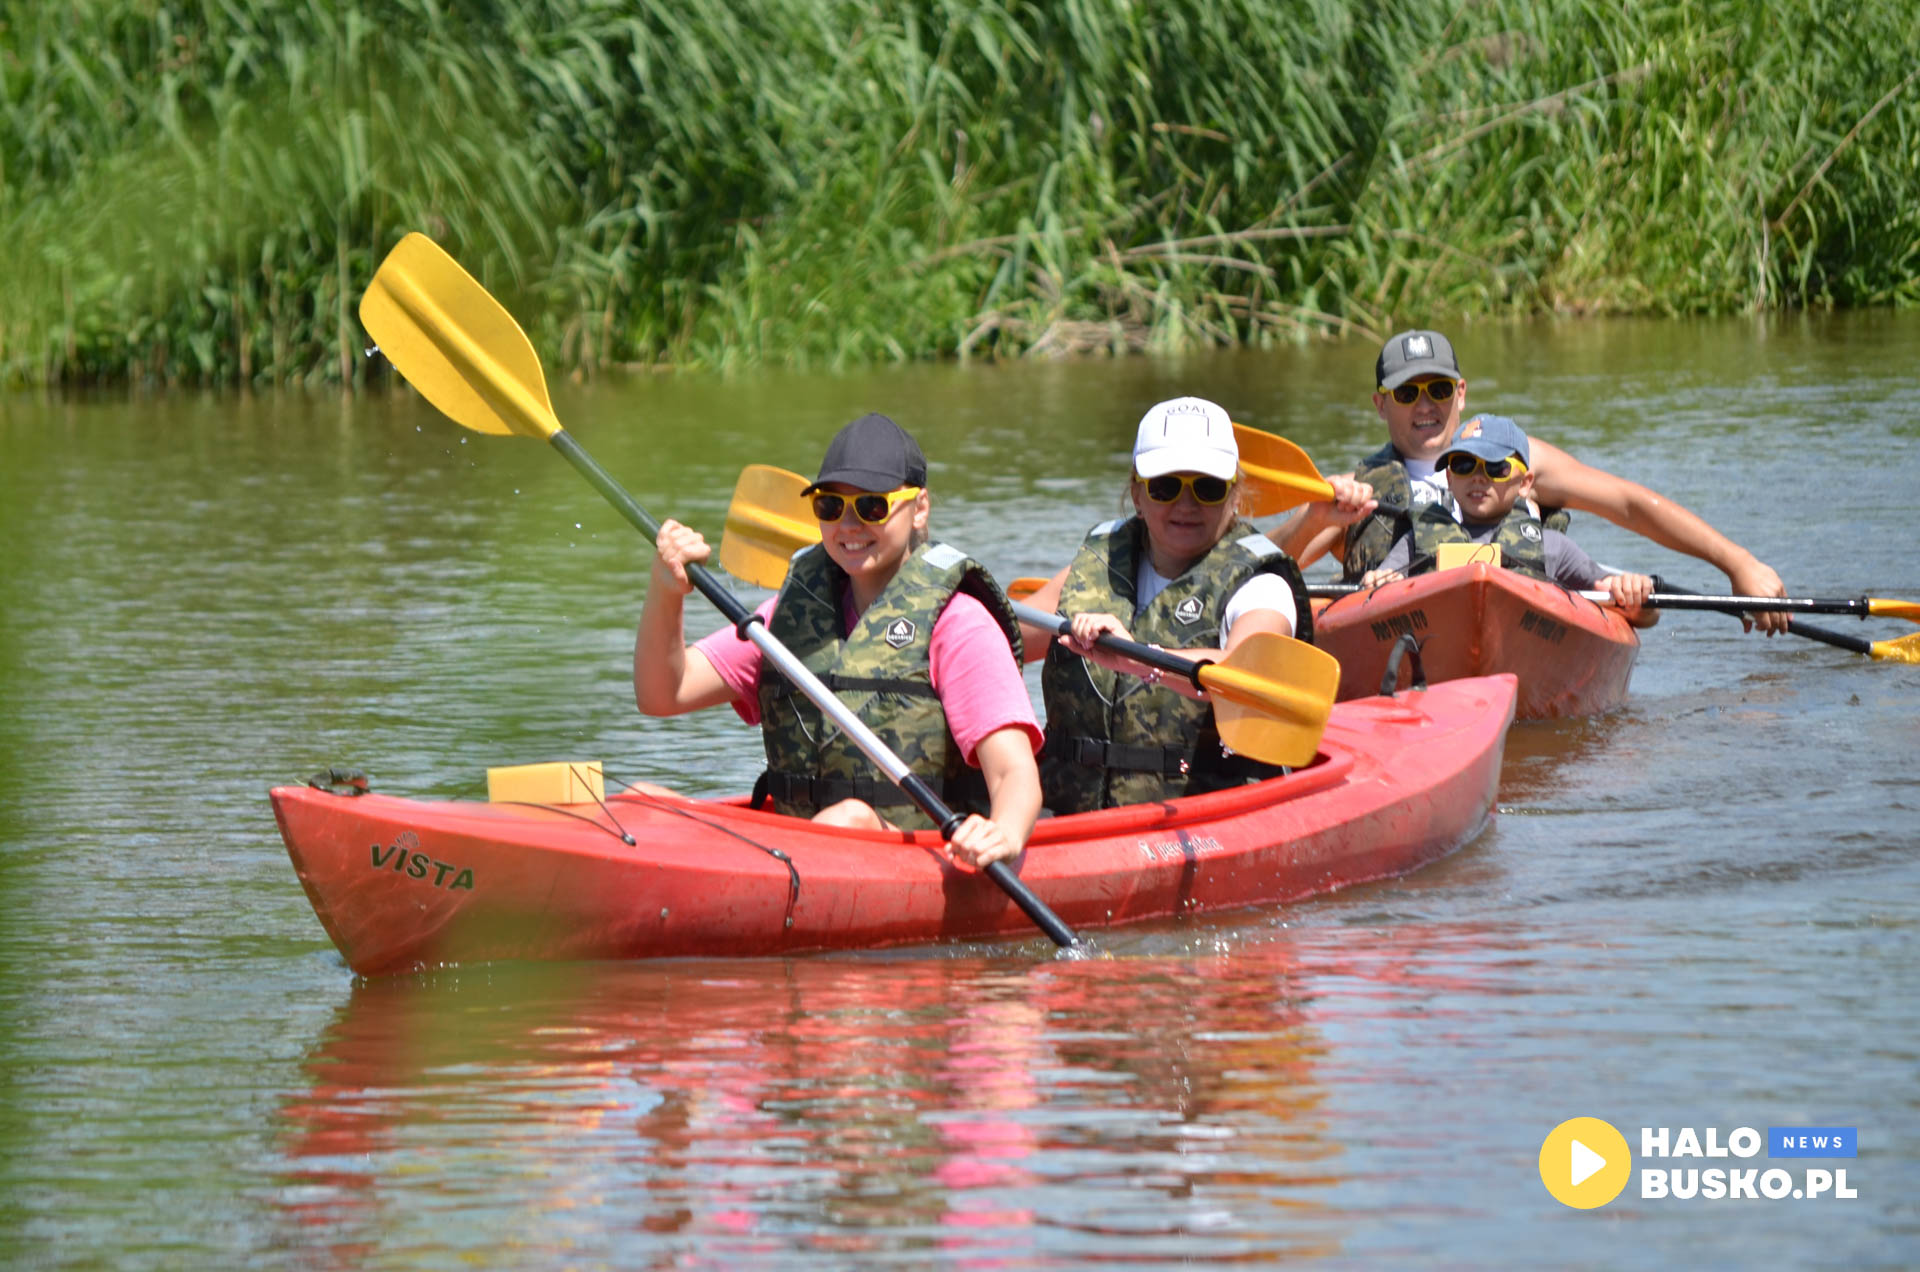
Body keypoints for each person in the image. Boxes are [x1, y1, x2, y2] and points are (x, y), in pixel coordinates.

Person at [633, 413, 1042, 869]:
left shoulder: (960, 623)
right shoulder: (788, 620)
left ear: (919, 507)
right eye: (830, 507)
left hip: (913, 854)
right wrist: (666, 591)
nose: (848, 525)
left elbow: (1013, 772)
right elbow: (663, 693)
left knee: (849, 818)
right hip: (797, 848)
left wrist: (1003, 832)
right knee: (640, 800)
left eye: (871, 507)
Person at [1270, 329, 1792, 632]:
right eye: (1408, 394)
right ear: (1381, 404)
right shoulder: (1354, 491)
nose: (1426, 406)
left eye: (1438, 389)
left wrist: (1737, 563)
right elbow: (1255, 570)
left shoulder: (1517, 459)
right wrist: (1315, 515)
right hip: (1406, 643)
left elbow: (1630, 505)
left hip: (1525, 630)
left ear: (1462, 392)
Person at [1019, 397, 1314, 814]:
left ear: (1234, 495)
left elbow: (1246, 671)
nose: (1187, 504)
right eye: (1166, 486)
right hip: (1068, 813)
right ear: (1138, 493)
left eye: (1207, 488)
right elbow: (1004, 643)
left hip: (1200, 815)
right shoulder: (1093, 567)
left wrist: (1140, 661)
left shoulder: (1260, 584)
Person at [1360, 415, 1659, 628]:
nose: (1478, 477)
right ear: (1449, 478)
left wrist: (1633, 594)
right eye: (1464, 465)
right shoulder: (1416, 541)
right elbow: (1372, 597)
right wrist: (1378, 584)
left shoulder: (1552, 547)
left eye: (1495, 467)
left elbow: (1636, 613)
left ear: (1525, 483)